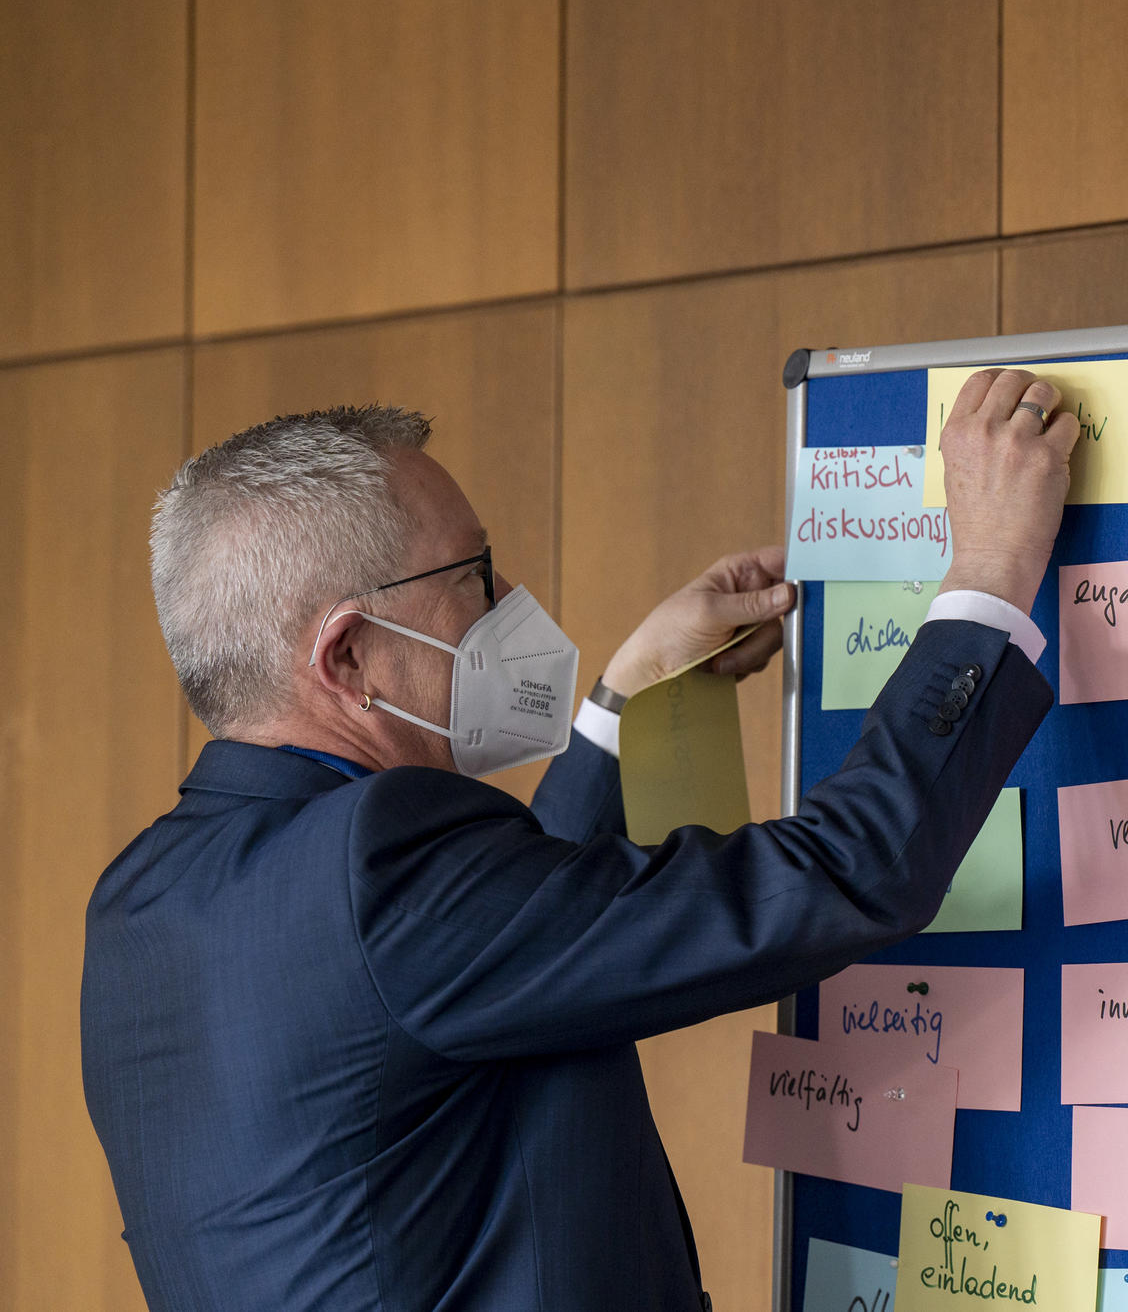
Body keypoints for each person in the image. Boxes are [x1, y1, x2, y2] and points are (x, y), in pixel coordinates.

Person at [81, 369, 1077, 1311]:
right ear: (348, 654)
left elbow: (478, 973)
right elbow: (848, 873)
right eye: (471, 572)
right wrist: (987, 576)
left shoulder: (140, 903)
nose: (505, 595)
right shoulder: (375, 864)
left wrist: (621, 706)